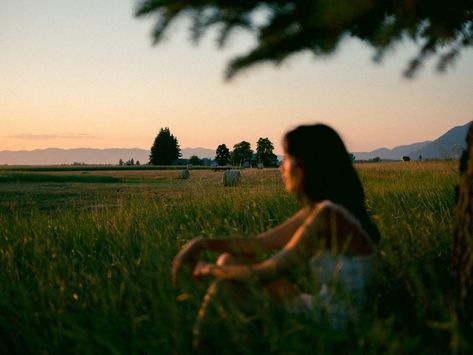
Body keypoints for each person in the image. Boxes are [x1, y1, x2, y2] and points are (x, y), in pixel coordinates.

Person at [172, 124, 380, 349]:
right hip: (324, 306)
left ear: (303, 166)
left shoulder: (328, 216)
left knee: (225, 286)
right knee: (230, 260)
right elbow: (260, 243)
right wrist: (203, 243)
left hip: (336, 326)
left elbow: (267, 271)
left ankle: (196, 348)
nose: (281, 167)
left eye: (286, 158)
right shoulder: (325, 210)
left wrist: (208, 269)